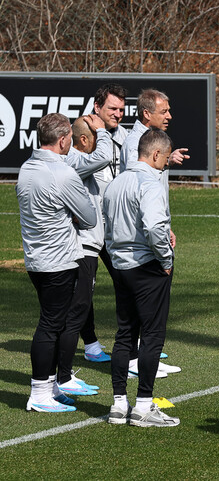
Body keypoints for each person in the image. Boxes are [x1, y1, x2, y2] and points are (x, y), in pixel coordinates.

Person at [16, 113, 97, 413]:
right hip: (58, 261)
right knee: (50, 326)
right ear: (63, 140)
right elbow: (89, 217)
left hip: (36, 259)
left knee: (55, 322)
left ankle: (49, 387)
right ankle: (38, 393)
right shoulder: (62, 174)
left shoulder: (26, 168)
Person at [103, 127, 179, 427]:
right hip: (147, 267)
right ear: (156, 153)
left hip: (120, 266)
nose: (167, 165)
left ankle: (119, 404)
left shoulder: (116, 182)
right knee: (151, 335)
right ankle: (143, 406)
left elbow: (106, 226)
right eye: (166, 159)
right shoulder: (150, 183)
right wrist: (166, 259)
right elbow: (153, 227)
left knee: (125, 334)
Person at [119, 89, 188, 376]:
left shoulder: (153, 144)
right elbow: (134, 186)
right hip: (142, 238)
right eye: (164, 111)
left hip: (153, 226)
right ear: (147, 113)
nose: (169, 116)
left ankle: (145, 355)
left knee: (147, 307)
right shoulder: (135, 143)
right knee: (146, 307)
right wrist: (160, 234)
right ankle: (140, 360)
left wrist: (168, 161)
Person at [53, 115, 113, 396]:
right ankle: (62, 378)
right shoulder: (75, 159)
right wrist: (103, 132)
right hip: (81, 249)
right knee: (74, 313)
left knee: (76, 310)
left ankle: (63, 374)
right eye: (96, 136)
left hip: (88, 246)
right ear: (84, 140)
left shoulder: (76, 162)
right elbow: (104, 156)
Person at [80, 83, 130, 364]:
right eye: (112, 108)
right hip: (87, 226)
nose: (118, 114)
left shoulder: (125, 136)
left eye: (122, 109)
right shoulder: (81, 133)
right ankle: (91, 344)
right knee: (84, 291)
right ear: (97, 107)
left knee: (128, 282)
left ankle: (133, 344)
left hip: (117, 226)